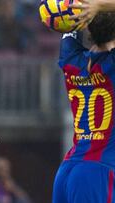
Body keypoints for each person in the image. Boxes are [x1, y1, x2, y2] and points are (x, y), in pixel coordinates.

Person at [52, 12, 115, 203]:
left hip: (67, 170)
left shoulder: (71, 58)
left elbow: (68, 27)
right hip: (97, 172)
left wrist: (77, 10)